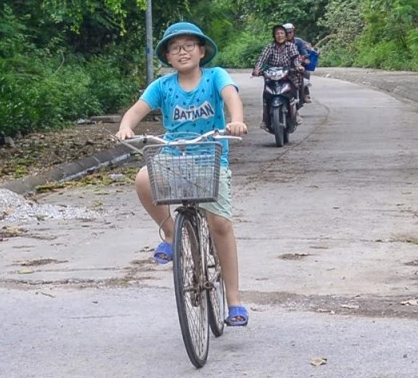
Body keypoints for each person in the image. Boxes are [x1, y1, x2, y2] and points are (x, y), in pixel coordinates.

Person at [115, 22, 251, 327]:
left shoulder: (216, 77)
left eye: (189, 45)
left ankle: (234, 301)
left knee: (220, 225)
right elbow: (136, 110)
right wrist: (126, 127)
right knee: (143, 179)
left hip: (210, 158)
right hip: (173, 155)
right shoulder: (163, 86)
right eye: (175, 47)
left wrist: (237, 121)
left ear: (202, 51)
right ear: (168, 56)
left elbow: (232, 99)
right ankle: (169, 231)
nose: (183, 51)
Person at [251, 24, 305, 129]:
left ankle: (296, 112)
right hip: (272, 76)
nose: (279, 36)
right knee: (266, 95)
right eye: (277, 33)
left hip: (288, 75)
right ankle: (265, 118)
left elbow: (295, 58)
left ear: (285, 35)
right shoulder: (270, 47)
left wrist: (298, 66)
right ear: (274, 36)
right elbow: (262, 59)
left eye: (281, 33)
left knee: (294, 90)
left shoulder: (291, 46)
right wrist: (257, 69)